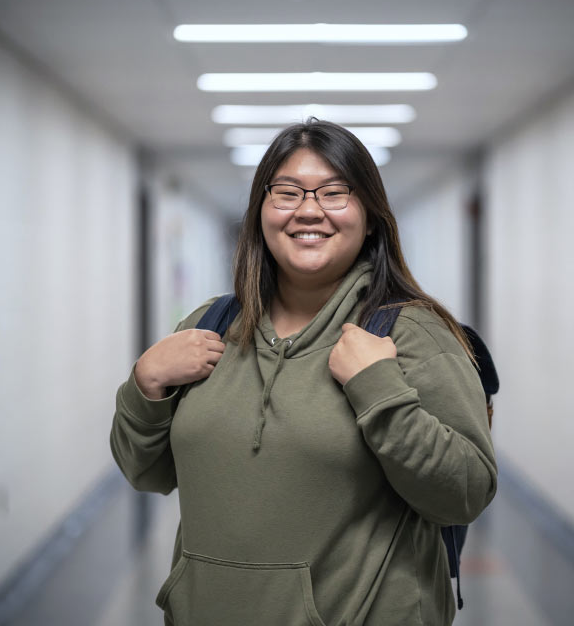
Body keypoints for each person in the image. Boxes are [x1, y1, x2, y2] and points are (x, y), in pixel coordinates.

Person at [110, 119, 497, 626]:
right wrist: (144, 386)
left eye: (336, 193)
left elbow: (465, 492)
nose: (309, 210)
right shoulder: (211, 326)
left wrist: (379, 390)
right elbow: (148, 473)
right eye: (287, 192)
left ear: (372, 217)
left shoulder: (411, 335)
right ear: (261, 212)